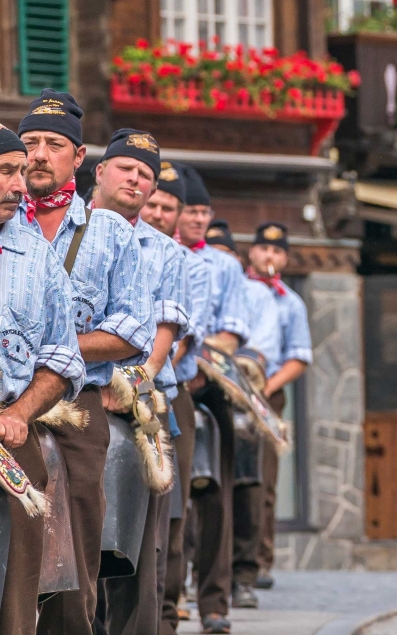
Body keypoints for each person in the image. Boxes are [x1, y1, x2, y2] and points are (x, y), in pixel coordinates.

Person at [18, 90, 154, 635]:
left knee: (75, 537)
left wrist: (56, 346)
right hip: (4, 395)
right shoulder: (6, 226)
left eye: (55, 144)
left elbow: (132, 331)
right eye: (30, 143)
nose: (40, 154)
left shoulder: (111, 233)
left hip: (77, 404)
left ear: (79, 159)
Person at [90, 129, 186, 635]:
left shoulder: (166, 251)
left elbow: (162, 331)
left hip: (137, 401)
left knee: (136, 551)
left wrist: (127, 381)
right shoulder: (63, 228)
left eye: (145, 175)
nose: (135, 179)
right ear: (98, 170)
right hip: (68, 393)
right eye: (126, 168)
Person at [0, 126, 86, 635]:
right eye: (6, 171)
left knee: (19, 583)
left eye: (19, 172)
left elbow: (63, 358)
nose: (19, 183)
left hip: (14, 434)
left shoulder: (38, 257)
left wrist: (19, 413)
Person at [176, 166, 251, 634]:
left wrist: (199, 365)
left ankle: (215, 603)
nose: (200, 218)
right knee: (173, 500)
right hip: (169, 383)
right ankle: (174, 593)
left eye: (206, 211)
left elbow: (231, 330)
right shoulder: (160, 253)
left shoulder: (225, 264)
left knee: (217, 500)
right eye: (193, 210)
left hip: (212, 387)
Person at [141, 161, 214, 635]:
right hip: (112, 387)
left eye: (169, 207)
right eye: (154, 204)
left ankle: (166, 614)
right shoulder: (115, 245)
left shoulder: (191, 264)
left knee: (172, 512)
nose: (159, 213)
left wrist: (145, 368)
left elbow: (184, 337)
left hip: (169, 391)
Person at [230, 222, 312, 606]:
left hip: (268, 393)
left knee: (261, 481)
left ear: (285, 258)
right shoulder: (235, 289)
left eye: (277, 252)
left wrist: (267, 387)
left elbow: (299, 356)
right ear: (252, 252)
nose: (269, 256)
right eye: (263, 249)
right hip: (226, 387)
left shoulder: (290, 302)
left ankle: (259, 562)